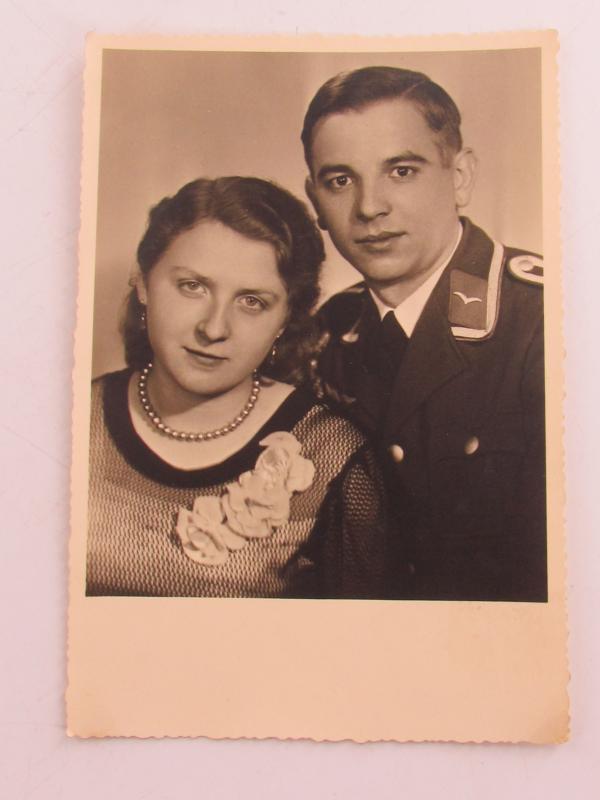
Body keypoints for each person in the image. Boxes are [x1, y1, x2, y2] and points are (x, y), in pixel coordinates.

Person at [302, 66, 547, 601]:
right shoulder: (320, 339)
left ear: (460, 176)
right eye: (340, 180)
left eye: (402, 171)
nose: (369, 207)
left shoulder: (550, 323)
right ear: (315, 200)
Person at [86, 176, 389, 599]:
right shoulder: (70, 420)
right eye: (192, 286)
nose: (213, 328)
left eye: (252, 302)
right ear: (142, 283)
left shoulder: (334, 456)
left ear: (286, 319)